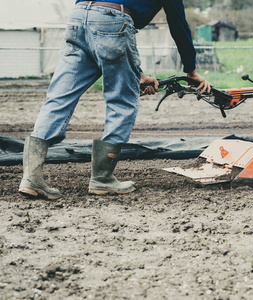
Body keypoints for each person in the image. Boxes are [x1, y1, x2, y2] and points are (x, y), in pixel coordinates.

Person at [19, 0, 212, 199]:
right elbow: (178, 23)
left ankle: (31, 178)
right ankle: (102, 178)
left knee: (58, 99)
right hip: (112, 20)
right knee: (122, 101)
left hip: (79, 17)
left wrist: (138, 73)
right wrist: (191, 71)